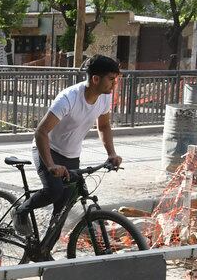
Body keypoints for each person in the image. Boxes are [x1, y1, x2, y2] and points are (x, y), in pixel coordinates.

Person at [14, 54, 123, 237]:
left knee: (63, 208)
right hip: (47, 149)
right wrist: (50, 165)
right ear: (95, 79)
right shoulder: (68, 98)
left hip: (72, 156)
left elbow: (103, 125)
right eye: (111, 79)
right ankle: (21, 210)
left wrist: (111, 153)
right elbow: (41, 132)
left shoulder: (104, 98)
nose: (114, 84)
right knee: (54, 191)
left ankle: (44, 251)